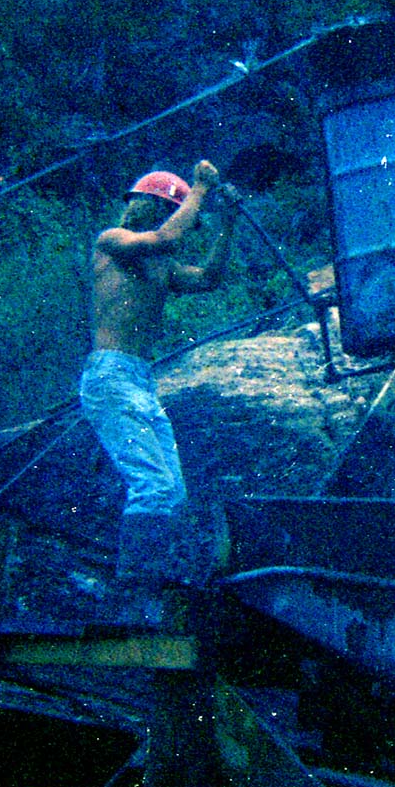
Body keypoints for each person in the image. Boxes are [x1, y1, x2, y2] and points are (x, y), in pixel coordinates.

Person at [79, 161, 239, 626]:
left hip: (139, 380)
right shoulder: (113, 241)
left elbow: (209, 278)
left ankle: (157, 594)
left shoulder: (159, 265)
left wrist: (225, 225)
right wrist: (203, 190)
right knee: (154, 487)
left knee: (174, 492)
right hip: (111, 376)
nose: (140, 211)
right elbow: (167, 238)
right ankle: (133, 600)